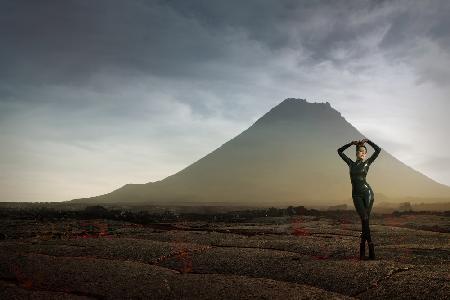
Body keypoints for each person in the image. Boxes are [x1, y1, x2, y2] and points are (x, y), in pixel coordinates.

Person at [337, 138, 381, 260]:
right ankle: (369, 249)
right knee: (364, 220)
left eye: (364, 152)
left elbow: (378, 150)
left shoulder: (367, 163)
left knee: (365, 219)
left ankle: (364, 249)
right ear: (356, 153)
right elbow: (339, 151)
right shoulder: (350, 163)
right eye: (360, 151)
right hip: (356, 194)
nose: (363, 153)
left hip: (367, 193)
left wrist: (369, 142)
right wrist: (351, 144)